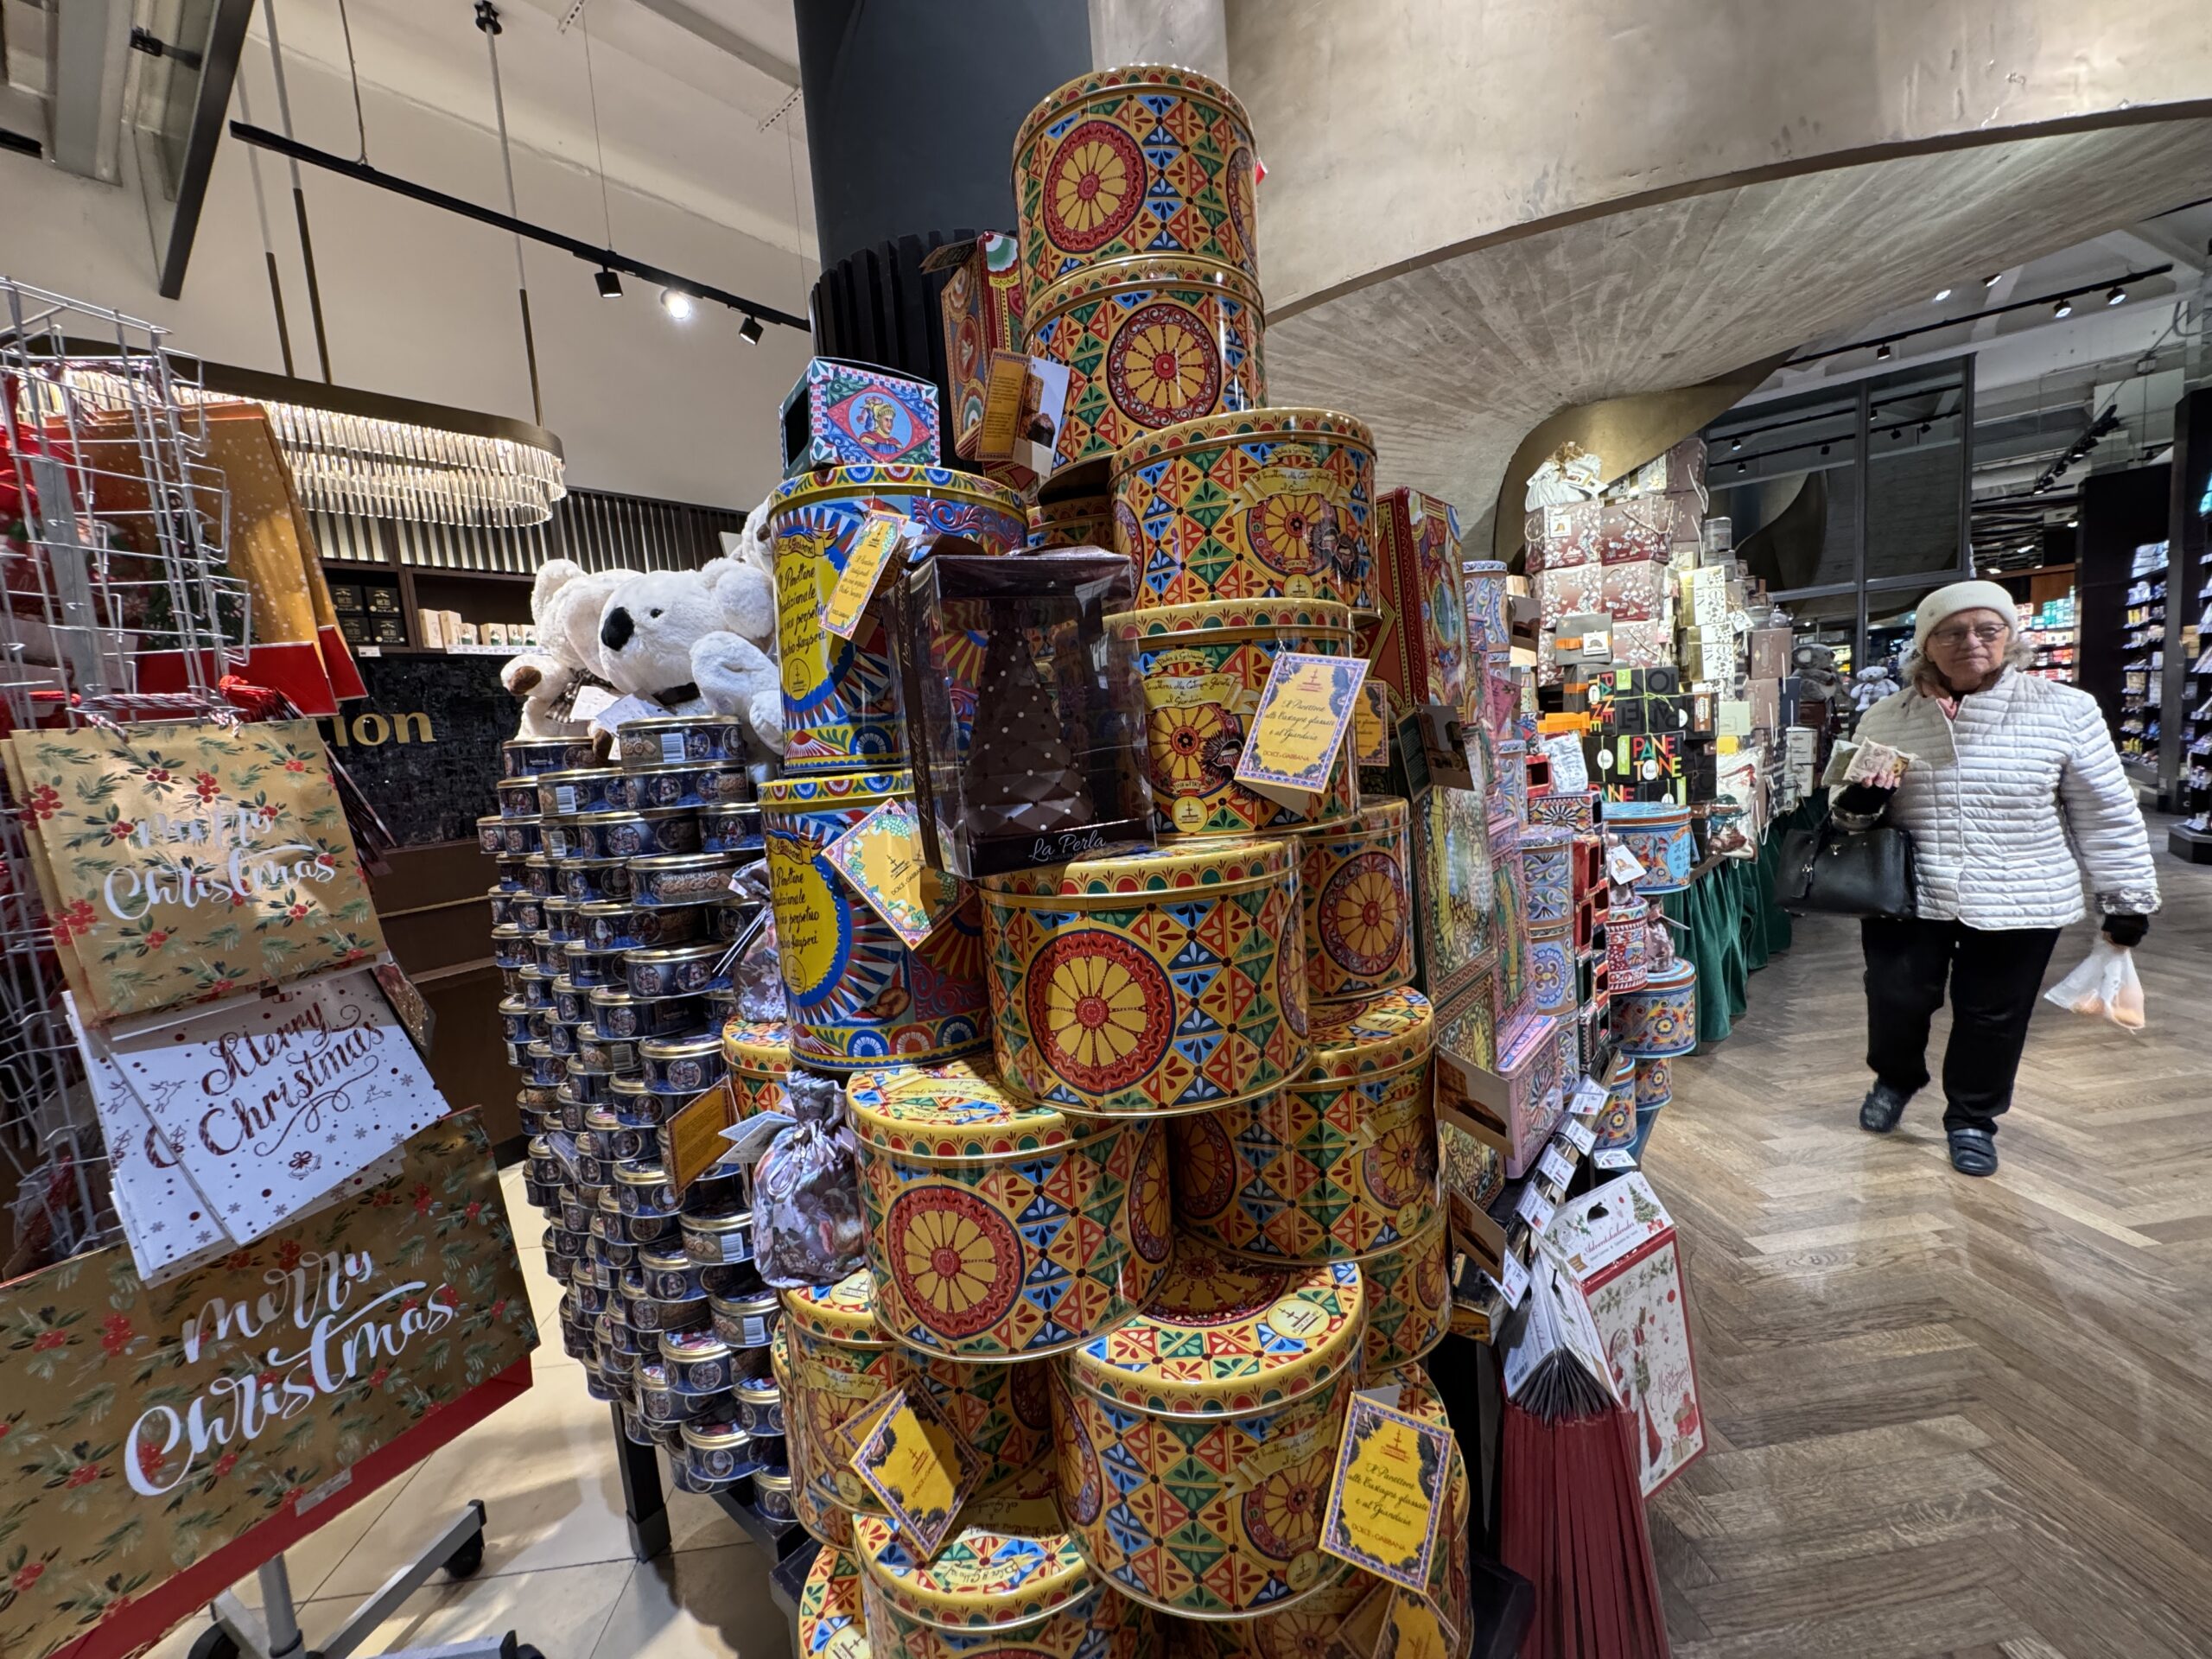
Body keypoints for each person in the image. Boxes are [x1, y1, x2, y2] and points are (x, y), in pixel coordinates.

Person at [1826, 579, 2159, 1176]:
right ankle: (1895, 1079)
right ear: (1926, 645)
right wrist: (1861, 802)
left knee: (1994, 1015)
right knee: (1896, 998)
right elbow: (1845, 821)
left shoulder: (2065, 710)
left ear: (2011, 637)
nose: (1971, 643)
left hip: (2023, 893)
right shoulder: (1887, 716)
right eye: (1951, 632)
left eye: (1987, 629)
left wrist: (2125, 898)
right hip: (1909, 892)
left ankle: (1972, 1118)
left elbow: (2106, 811)